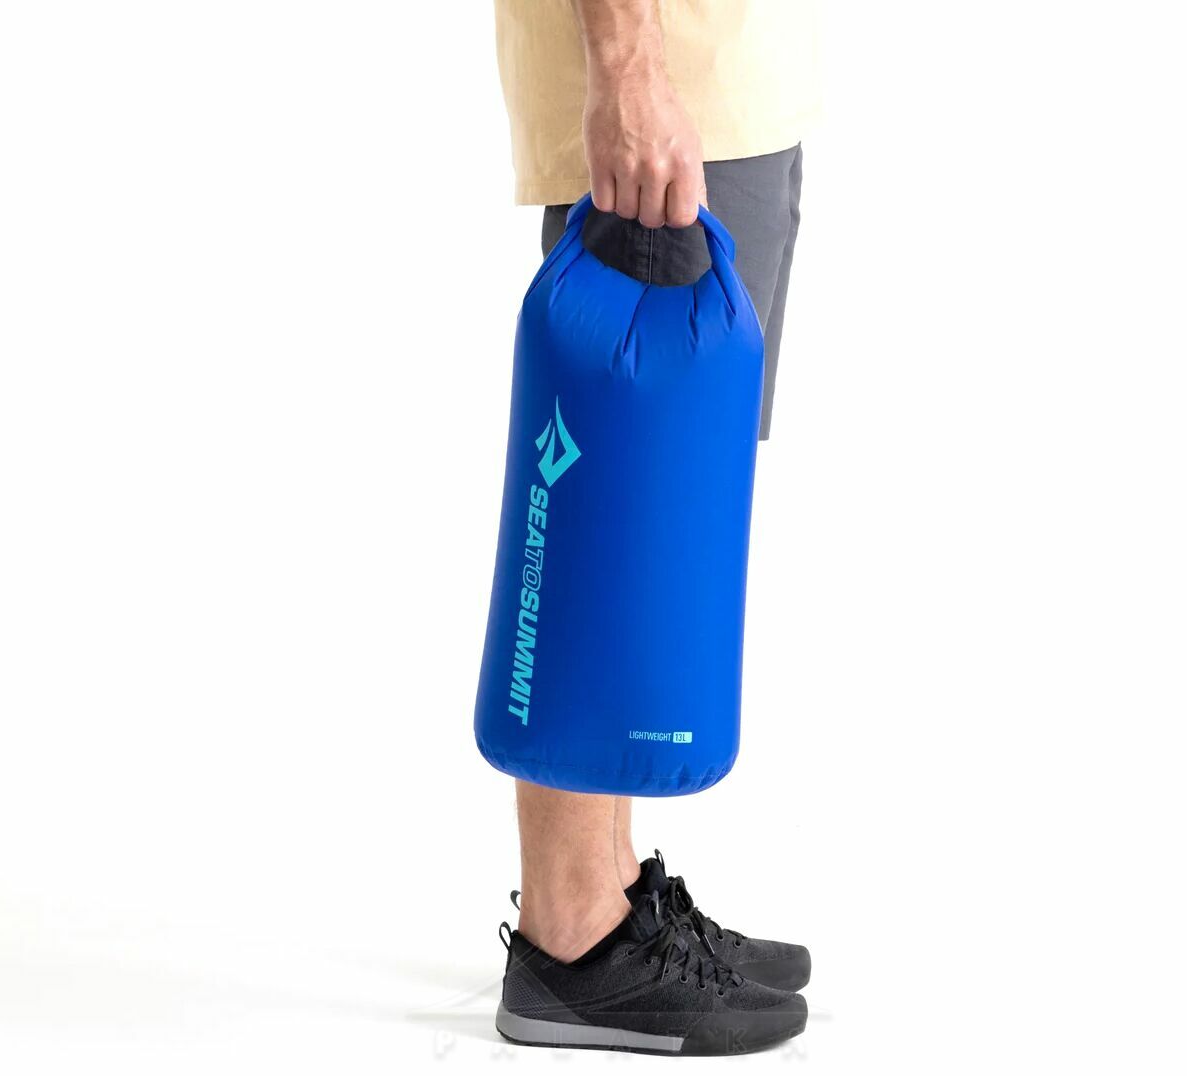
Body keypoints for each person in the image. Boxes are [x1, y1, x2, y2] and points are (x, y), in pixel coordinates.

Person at [489, 0, 819, 1056]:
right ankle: (573, 931)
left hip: (731, 75)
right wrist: (627, 69)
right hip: (671, 78)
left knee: (665, 496)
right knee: (615, 495)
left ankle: (612, 887)